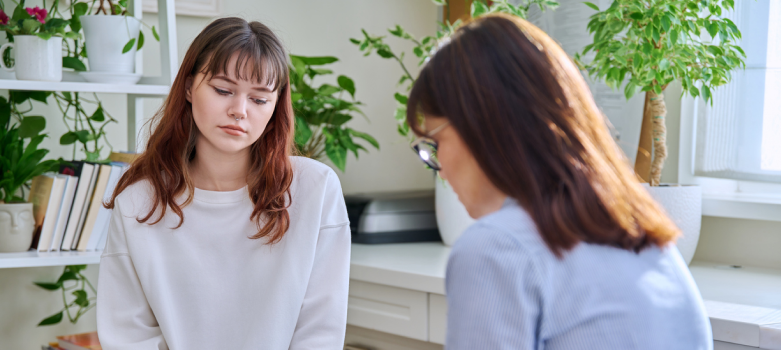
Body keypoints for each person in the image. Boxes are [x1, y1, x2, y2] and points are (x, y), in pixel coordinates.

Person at [406, 14, 712, 349]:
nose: (440, 168)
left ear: (482, 126)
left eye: (435, 143)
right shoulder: (648, 239)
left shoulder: (497, 248)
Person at [97, 17, 350, 349]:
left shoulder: (315, 190)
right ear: (189, 88)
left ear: (275, 107)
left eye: (259, 99)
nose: (239, 110)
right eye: (223, 90)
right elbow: (128, 337)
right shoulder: (138, 204)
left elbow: (320, 332)